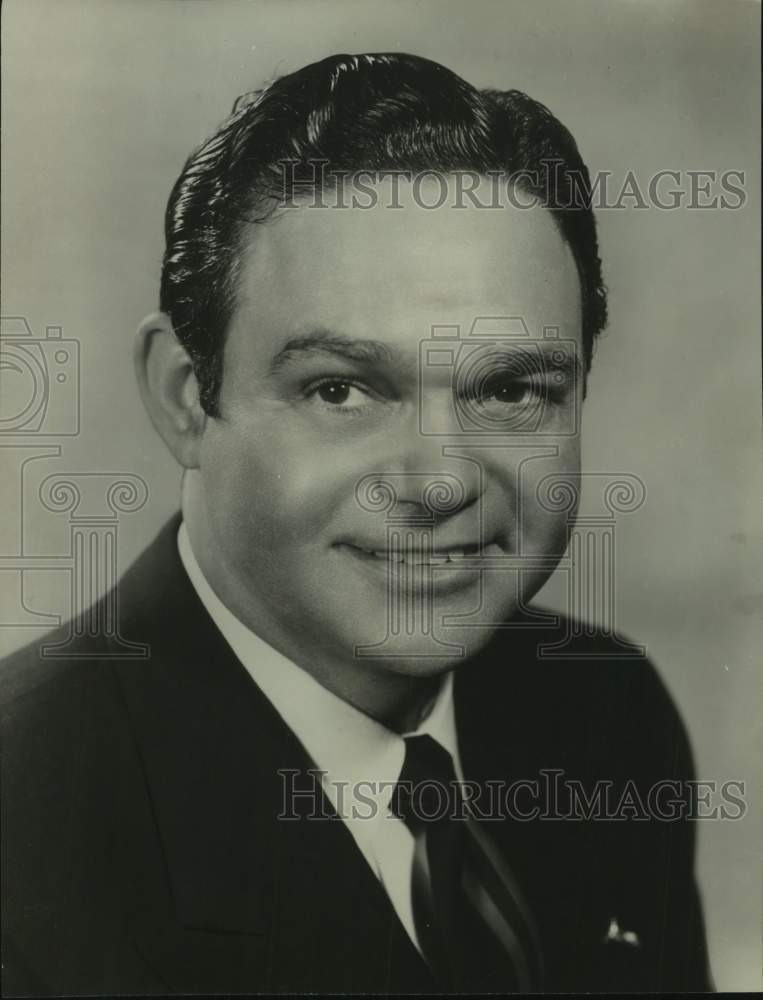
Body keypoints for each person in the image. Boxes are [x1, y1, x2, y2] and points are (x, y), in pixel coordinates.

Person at [1, 52, 712, 994]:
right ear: (184, 397)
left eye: (509, 389)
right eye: (341, 389)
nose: (439, 481)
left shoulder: (607, 717)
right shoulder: (23, 835)